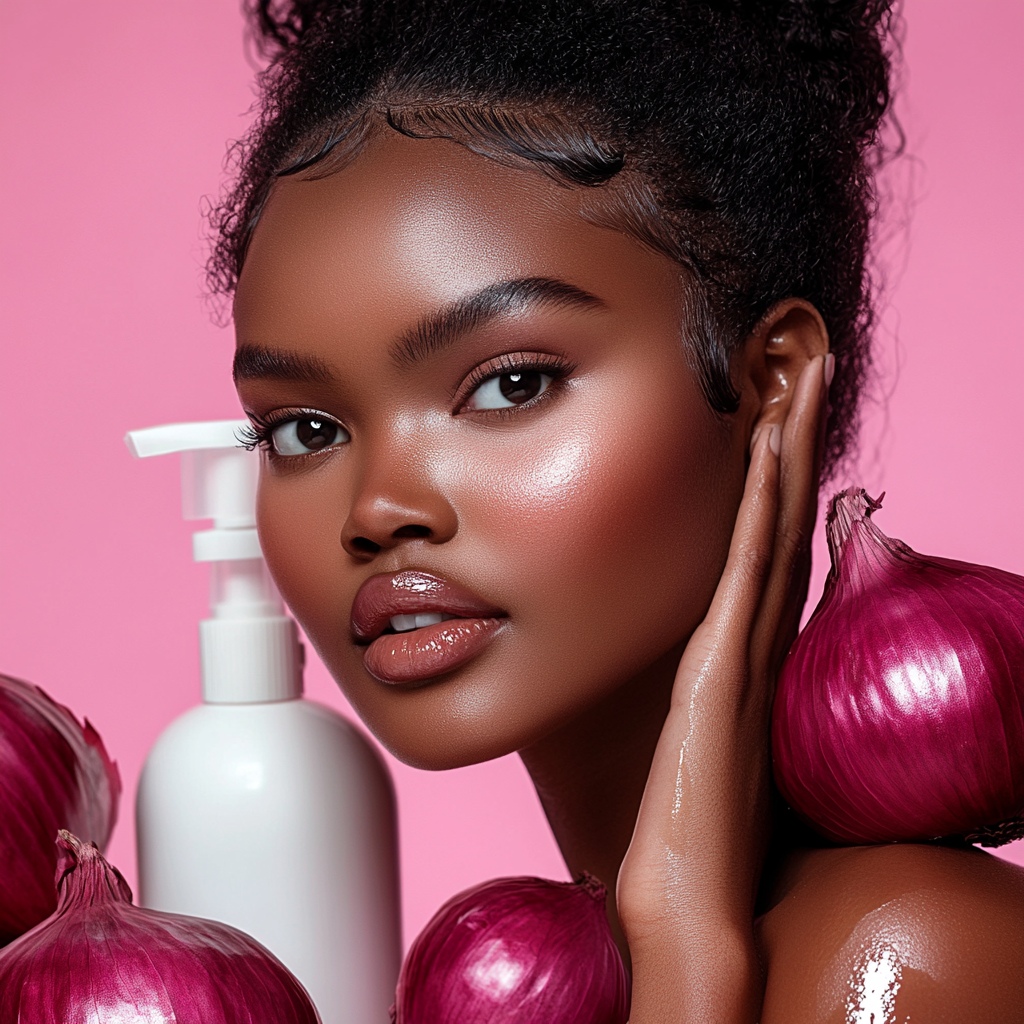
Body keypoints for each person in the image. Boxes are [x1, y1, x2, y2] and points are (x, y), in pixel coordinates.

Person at [212, 1, 1024, 1019]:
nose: (377, 508)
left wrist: (689, 948)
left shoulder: (910, 954)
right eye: (303, 430)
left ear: (769, 385)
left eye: (510, 385)